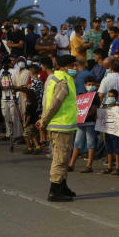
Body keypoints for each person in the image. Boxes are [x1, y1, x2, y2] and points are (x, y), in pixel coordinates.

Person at [38, 55, 79, 201]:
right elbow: (54, 104)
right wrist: (44, 121)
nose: (75, 68)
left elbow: (47, 102)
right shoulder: (62, 82)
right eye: (72, 66)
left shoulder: (57, 78)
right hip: (61, 125)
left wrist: (43, 119)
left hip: (63, 125)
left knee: (64, 157)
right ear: (64, 67)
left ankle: (62, 185)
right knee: (60, 159)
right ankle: (54, 190)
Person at [68, 76, 100, 173]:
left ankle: (89, 165)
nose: (90, 86)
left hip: (90, 123)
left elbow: (93, 110)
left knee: (90, 143)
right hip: (81, 123)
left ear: (96, 85)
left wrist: (83, 114)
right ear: (85, 85)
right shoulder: (82, 95)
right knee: (77, 143)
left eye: (92, 85)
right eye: (89, 84)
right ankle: (71, 164)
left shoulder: (95, 97)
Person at [100, 89, 119, 173]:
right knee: (109, 149)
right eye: (109, 96)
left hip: (115, 132)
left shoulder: (117, 108)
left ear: (116, 98)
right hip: (107, 131)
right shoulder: (106, 107)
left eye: (112, 96)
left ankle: (117, 167)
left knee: (116, 150)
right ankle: (109, 167)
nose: (110, 98)